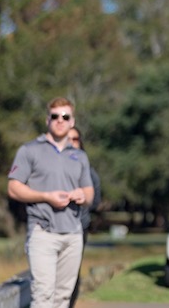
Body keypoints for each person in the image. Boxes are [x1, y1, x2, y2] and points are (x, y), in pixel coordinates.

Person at [8, 97, 95, 308]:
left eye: (65, 116)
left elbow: (90, 193)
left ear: (72, 121)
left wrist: (82, 196)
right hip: (43, 232)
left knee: (63, 298)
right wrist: (46, 196)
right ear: (47, 120)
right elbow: (13, 188)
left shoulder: (79, 155)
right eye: (55, 116)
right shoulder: (29, 150)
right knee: (43, 295)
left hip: (73, 234)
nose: (60, 120)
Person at [67, 127, 101, 308]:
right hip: (52, 226)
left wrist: (84, 199)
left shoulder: (88, 169)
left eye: (75, 139)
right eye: (68, 138)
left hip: (79, 225)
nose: (72, 142)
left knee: (73, 270)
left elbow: (95, 200)